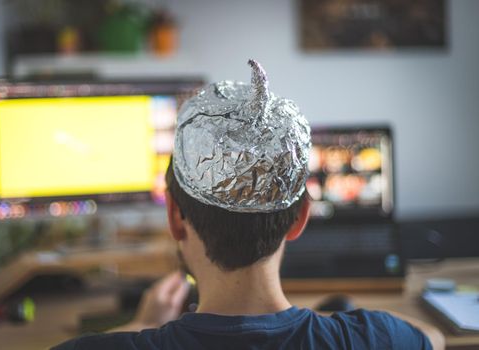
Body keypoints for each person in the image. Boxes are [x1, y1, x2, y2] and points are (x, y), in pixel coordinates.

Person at [52, 60, 444, 350]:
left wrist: (141, 323)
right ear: (300, 219)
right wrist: (322, 323)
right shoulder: (377, 341)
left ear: (175, 217)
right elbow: (434, 339)